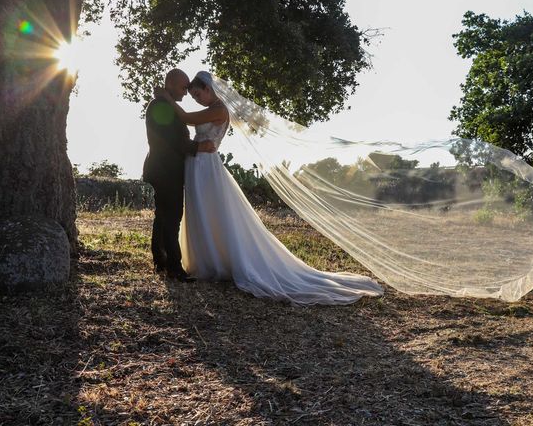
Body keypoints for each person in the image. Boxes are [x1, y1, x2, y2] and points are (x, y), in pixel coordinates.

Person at [155, 71, 384, 304]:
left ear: (209, 89)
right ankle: (206, 258)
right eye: (192, 96)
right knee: (200, 209)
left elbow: (187, 118)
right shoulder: (210, 107)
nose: (196, 99)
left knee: (212, 209)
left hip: (206, 165)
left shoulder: (219, 108)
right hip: (196, 164)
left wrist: (166, 98)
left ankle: (219, 259)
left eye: (197, 94)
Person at [142, 69, 216, 281]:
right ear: (171, 84)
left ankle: (160, 260)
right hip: (165, 170)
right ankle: (173, 267)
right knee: (172, 217)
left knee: (164, 216)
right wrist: (198, 147)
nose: (186, 92)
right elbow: (172, 140)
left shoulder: (165, 105)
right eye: (183, 87)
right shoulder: (161, 106)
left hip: (164, 169)